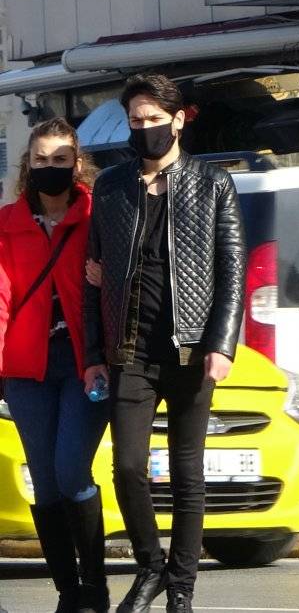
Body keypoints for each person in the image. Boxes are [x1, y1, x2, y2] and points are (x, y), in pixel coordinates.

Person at [82, 73, 246, 613]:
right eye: (136, 121)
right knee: (127, 465)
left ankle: (182, 587)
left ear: (178, 119)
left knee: (187, 470)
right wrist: (91, 354)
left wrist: (222, 344)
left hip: (191, 348)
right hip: (128, 349)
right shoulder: (111, 186)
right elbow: (93, 276)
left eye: (154, 119)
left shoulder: (213, 184)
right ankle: (150, 566)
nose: (145, 129)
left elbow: (232, 273)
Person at [0, 119, 107, 613]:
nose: (50, 168)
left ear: (76, 164)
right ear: (29, 165)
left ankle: (95, 581)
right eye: (41, 160)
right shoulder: (7, 222)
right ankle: (69, 591)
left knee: (70, 470)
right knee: (43, 482)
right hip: (26, 367)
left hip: (85, 364)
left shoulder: (98, 215)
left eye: (59, 159)